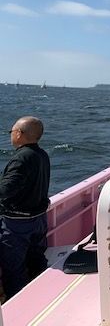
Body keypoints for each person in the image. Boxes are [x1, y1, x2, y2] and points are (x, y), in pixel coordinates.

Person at [0, 116, 51, 300]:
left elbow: (6, 190)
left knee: (14, 270)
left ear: (19, 134)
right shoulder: (42, 155)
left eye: (11, 131)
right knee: (36, 261)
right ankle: (40, 297)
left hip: (17, 225)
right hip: (38, 220)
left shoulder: (21, 158)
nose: (10, 135)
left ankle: (18, 305)